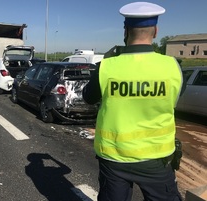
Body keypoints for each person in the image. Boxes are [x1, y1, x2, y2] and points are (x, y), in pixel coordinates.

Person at [82, 2, 183, 201]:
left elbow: (88, 97)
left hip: (114, 159)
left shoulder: (106, 67)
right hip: (157, 159)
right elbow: (173, 102)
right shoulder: (173, 67)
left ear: (125, 31)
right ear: (156, 31)